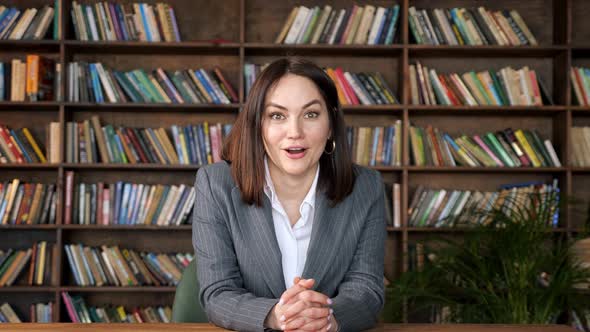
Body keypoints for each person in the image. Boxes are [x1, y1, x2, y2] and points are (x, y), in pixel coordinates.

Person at [192, 57, 386, 332]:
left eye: (310, 114)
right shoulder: (215, 184)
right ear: (258, 125)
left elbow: (367, 290)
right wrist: (275, 315)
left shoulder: (366, 187)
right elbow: (217, 293)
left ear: (330, 124)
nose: (294, 132)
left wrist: (328, 318)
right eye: (277, 116)